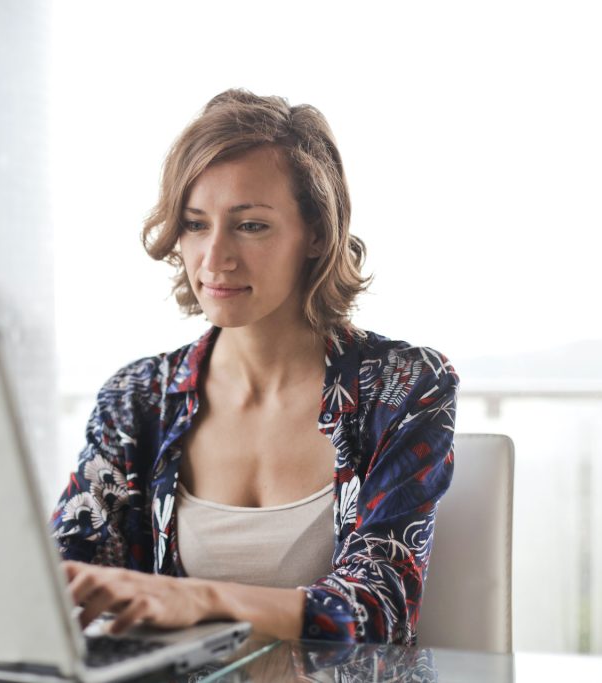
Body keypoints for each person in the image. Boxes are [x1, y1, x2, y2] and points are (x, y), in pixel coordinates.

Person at [50, 89, 457, 644]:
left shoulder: (403, 387)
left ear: (316, 233)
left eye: (251, 226)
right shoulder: (139, 398)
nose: (214, 258)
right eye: (195, 224)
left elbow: (380, 610)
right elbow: (63, 578)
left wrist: (201, 598)